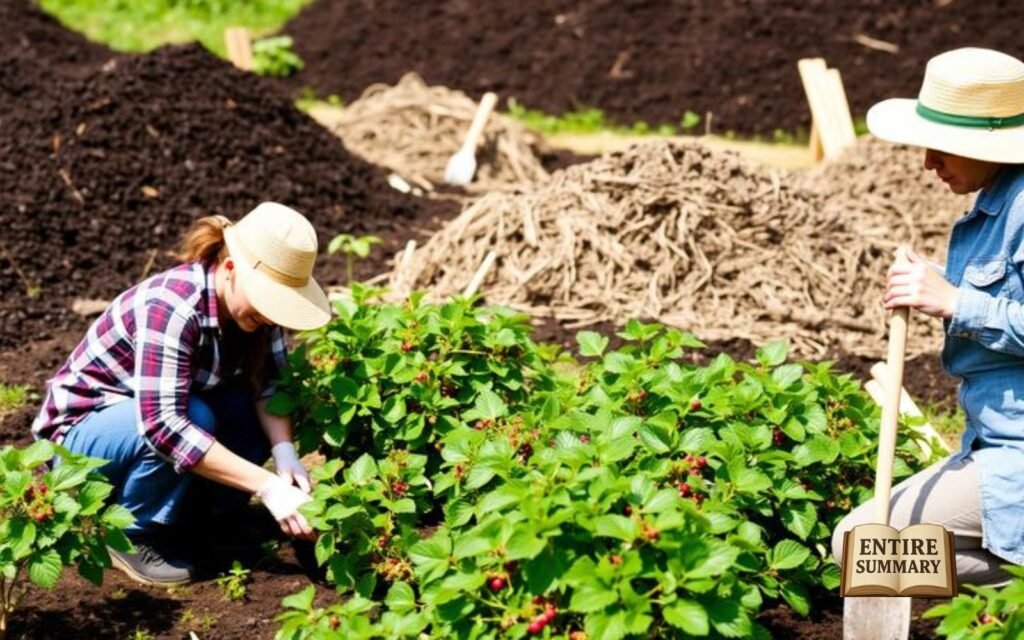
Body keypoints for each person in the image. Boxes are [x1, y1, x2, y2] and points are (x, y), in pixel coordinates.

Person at [32, 202, 332, 585]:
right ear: (229, 270)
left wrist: (284, 451)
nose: (270, 317)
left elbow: (271, 385)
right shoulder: (172, 306)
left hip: (154, 423)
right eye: (266, 301)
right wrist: (268, 485)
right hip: (82, 442)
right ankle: (130, 532)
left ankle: (204, 520)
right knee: (195, 416)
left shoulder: (256, 314)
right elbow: (163, 426)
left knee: (246, 408)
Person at [832, 48, 1024, 586]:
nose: (928, 163)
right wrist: (938, 282)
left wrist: (956, 301)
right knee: (861, 546)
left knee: (864, 549)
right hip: (994, 443)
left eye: (943, 148)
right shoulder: (997, 204)